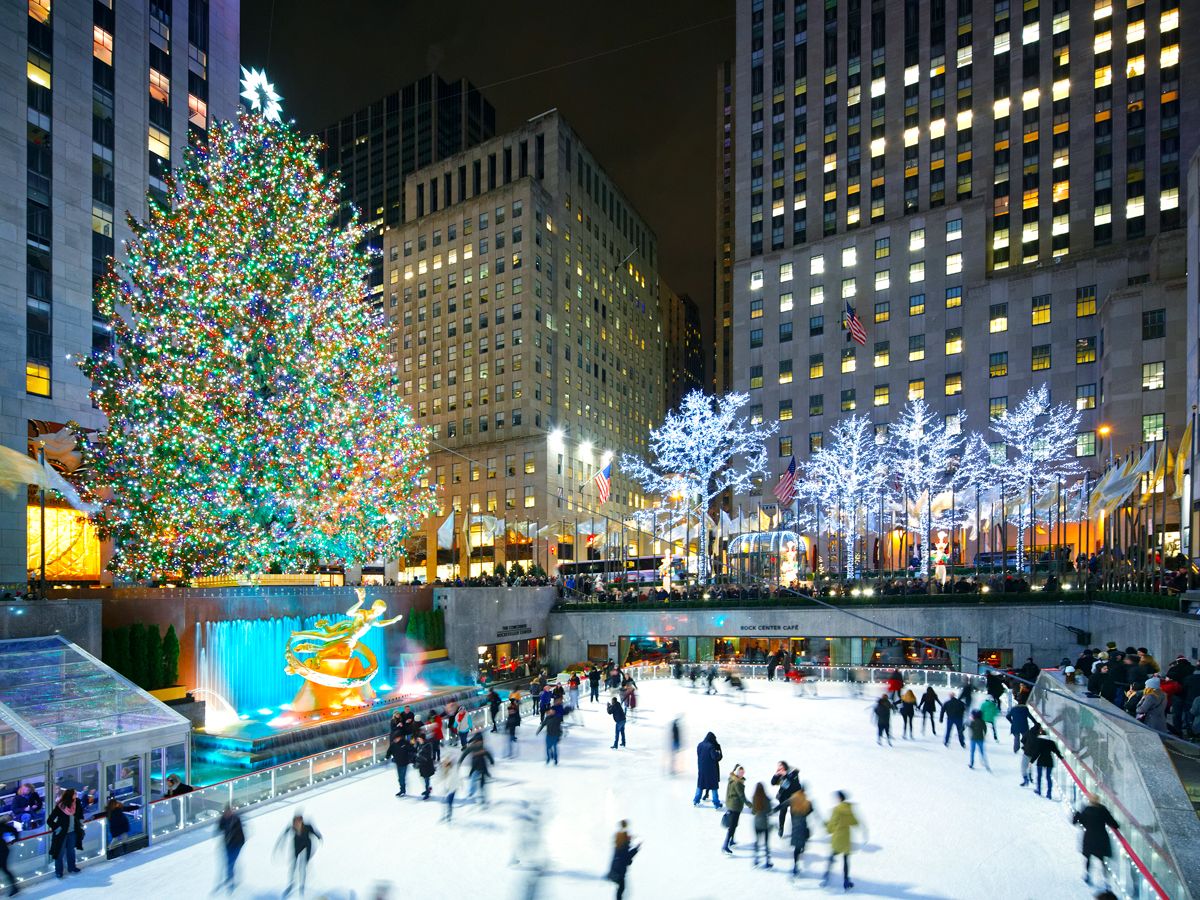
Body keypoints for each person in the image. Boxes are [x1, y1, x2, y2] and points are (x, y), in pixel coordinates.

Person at [1073, 794, 1119, 888]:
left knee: (1088, 858)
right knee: (1102, 860)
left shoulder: (1086, 810)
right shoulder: (1103, 810)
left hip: (1089, 838)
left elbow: (1076, 821)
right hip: (1101, 838)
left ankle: (1087, 876)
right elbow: (1113, 823)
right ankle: (1106, 881)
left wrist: (1077, 813)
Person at [276, 814, 321, 897]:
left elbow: (315, 833)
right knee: (293, 865)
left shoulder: (307, 827)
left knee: (303, 866)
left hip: (307, 844)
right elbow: (283, 835)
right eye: (294, 823)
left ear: (301, 822)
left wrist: (319, 837)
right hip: (297, 845)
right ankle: (291, 882)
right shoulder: (292, 827)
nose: (296, 825)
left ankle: (302, 885)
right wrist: (278, 846)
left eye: (297, 822)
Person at [820, 791, 858, 891]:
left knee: (832, 856)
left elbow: (832, 824)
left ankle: (827, 875)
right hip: (846, 837)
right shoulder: (849, 809)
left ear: (839, 799)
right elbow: (855, 822)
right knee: (846, 860)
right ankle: (846, 880)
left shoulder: (836, 809)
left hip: (838, 836)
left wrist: (827, 828)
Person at [47, 788, 84, 879]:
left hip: (72, 832)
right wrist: (57, 828)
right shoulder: (61, 806)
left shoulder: (76, 803)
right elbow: (49, 820)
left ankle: (72, 867)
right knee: (60, 852)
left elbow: (79, 814)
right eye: (75, 793)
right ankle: (59, 871)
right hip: (61, 834)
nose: (76, 795)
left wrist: (80, 822)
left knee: (71, 851)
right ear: (70, 795)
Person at [607, 820, 640, 900]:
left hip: (616, 869)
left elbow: (626, 857)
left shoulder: (620, 839)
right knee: (622, 888)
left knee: (621, 888)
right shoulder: (623, 842)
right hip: (619, 871)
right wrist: (636, 848)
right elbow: (626, 857)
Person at [217, 804, 245, 893]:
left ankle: (231, 881)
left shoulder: (236, 819)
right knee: (229, 863)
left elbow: (240, 832)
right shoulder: (223, 819)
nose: (227, 813)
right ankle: (229, 878)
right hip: (228, 845)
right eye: (226, 812)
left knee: (231, 863)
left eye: (229, 812)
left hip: (237, 844)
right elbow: (220, 828)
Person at [788, 784, 813, 877]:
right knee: (801, 843)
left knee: (796, 847)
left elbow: (784, 805)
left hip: (795, 824)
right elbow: (810, 810)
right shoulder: (806, 801)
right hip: (803, 823)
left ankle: (795, 865)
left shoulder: (793, 798)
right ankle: (802, 849)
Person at [693, 732, 723, 808]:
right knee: (714, 786)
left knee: (700, 785)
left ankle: (696, 800)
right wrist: (719, 752)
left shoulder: (699, 745)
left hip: (702, 769)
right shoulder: (711, 746)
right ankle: (716, 803)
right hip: (711, 770)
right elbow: (715, 757)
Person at [770, 761, 800, 836]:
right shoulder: (779, 773)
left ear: (785, 766)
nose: (780, 768)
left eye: (781, 767)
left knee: (794, 814)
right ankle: (781, 828)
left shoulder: (793, 772)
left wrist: (785, 774)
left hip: (794, 796)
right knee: (783, 812)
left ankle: (794, 830)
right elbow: (773, 783)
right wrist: (776, 775)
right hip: (784, 796)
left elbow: (793, 782)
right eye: (778, 767)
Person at [462, 733, 495, 804]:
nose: (480, 742)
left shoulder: (483, 748)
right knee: (473, 780)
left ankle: (483, 796)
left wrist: (491, 761)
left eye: (481, 741)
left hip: (482, 767)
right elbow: (465, 753)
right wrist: (460, 761)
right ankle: (471, 792)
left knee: (482, 783)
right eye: (479, 741)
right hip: (475, 767)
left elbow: (488, 754)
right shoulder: (473, 747)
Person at [1031, 728, 1063, 799]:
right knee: (1048, 777)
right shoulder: (1051, 742)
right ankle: (1049, 793)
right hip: (1049, 761)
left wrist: (1031, 761)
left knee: (1039, 776)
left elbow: (1037, 753)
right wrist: (1061, 758)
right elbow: (1056, 752)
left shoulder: (1039, 741)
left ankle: (1039, 790)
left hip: (1041, 760)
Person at [722, 765, 746, 854]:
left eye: (743, 772)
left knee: (734, 824)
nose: (742, 773)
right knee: (732, 826)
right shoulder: (737, 782)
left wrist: (735, 767)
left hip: (732, 804)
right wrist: (751, 806)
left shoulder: (732, 778)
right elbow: (742, 796)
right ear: (737, 773)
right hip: (735, 806)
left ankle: (731, 840)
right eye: (740, 772)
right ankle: (725, 845)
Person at [750, 782, 773, 868]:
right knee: (766, 843)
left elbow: (753, 811)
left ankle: (756, 859)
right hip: (765, 822)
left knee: (757, 841)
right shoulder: (766, 799)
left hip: (756, 822)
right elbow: (769, 811)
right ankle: (767, 860)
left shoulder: (754, 798)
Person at [434, 755, 460, 823]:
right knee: (444, 803)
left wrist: (448, 788)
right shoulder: (442, 769)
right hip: (446, 788)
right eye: (443, 762)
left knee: (449, 802)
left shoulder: (452, 769)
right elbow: (439, 778)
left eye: (446, 762)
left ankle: (449, 816)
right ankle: (444, 816)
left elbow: (452, 779)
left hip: (452, 788)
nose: (444, 763)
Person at [385, 732, 412, 797]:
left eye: (396, 738)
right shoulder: (393, 744)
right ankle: (402, 790)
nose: (395, 740)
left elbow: (411, 749)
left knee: (402, 777)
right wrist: (387, 756)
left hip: (404, 763)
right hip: (398, 763)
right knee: (400, 778)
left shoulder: (405, 743)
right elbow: (389, 751)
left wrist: (411, 757)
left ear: (399, 737)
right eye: (394, 739)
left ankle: (403, 790)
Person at [0, 814, 18, 897]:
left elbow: (13, 830)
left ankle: (14, 887)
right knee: (4, 869)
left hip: (2, 850)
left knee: (4, 868)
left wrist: (14, 840)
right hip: (3, 849)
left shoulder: (1, 824)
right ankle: (14, 887)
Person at [415, 734, 437, 799]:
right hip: (422, 765)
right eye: (418, 739)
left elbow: (428, 756)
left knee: (426, 778)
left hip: (427, 765)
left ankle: (427, 791)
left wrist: (420, 756)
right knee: (424, 778)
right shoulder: (420, 745)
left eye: (419, 739)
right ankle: (427, 789)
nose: (418, 740)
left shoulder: (428, 745)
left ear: (423, 739)